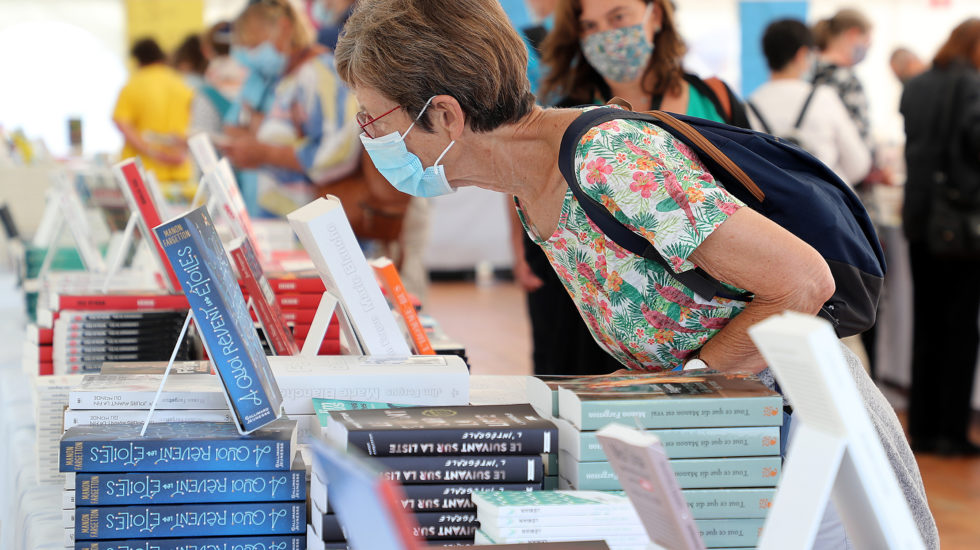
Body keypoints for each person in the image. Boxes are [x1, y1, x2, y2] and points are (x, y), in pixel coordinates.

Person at [334, 1, 939, 546]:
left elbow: (804, 282)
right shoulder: (531, 188)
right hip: (728, 440)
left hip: (800, 445)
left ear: (443, 115)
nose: (371, 139)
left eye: (372, 120)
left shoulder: (609, 159)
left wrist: (680, 392)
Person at [900, 18, 980, 457]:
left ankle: (924, 427)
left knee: (927, 324)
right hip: (961, 226)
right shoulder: (972, 85)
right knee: (960, 328)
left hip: (920, 220)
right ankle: (951, 431)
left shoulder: (917, 84)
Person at [221, 0, 361, 217]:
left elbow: (338, 152)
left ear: (284, 28)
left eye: (254, 44)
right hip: (283, 224)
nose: (250, 55)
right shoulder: (283, 79)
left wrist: (266, 153)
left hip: (316, 224)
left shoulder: (320, 74)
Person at [539, 0, 749, 126]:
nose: (605, 34)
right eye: (589, 25)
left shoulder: (713, 99)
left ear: (655, 15)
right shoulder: (566, 118)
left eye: (618, 17)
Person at [747, 19, 870, 186]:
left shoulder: (749, 105)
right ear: (802, 54)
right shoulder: (824, 97)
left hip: (770, 206)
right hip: (824, 203)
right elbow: (858, 164)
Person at [112, 37, 193, 182]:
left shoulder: (133, 85)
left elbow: (122, 123)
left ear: (137, 61)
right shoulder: (181, 83)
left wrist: (152, 152)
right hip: (179, 170)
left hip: (142, 172)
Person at [811, 9, 874, 150]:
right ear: (853, 34)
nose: (867, 49)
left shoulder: (806, 71)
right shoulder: (847, 82)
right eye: (867, 42)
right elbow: (862, 142)